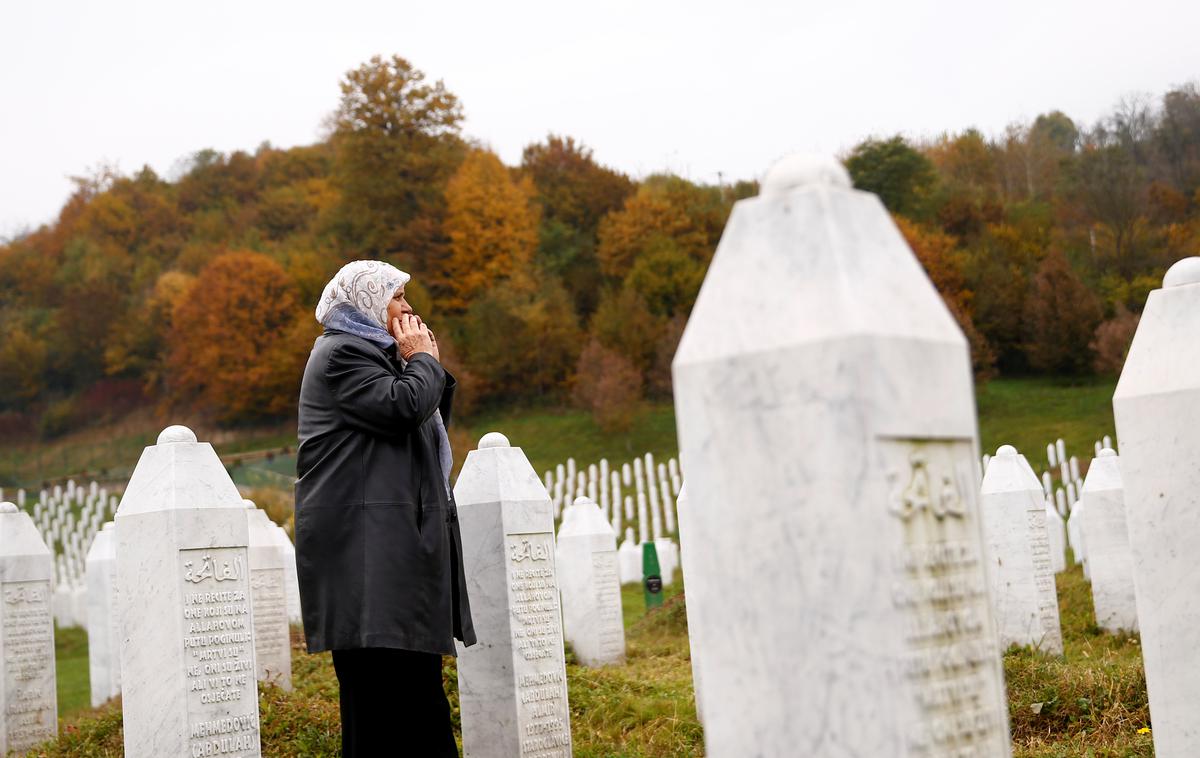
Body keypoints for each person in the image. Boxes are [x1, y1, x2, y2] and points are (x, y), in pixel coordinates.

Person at [295, 260, 475, 757]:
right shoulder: (342, 354)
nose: (408, 307)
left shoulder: (377, 357)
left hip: (391, 562)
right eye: (396, 296)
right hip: (366, 566)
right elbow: (403, 407)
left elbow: (422, 417)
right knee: (382, 712)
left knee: (417, 705)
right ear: (366, 302)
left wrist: (419, 364)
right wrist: (422, 360)